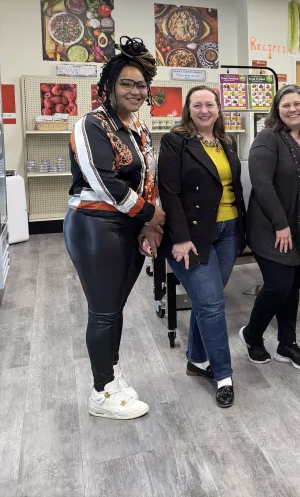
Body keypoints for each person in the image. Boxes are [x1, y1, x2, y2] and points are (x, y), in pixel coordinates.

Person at [65, 36, 163, 420]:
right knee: (104, 310)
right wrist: (150, 215)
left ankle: (111, 371)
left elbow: (147, 175)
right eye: (127, 83)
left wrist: (146, 225)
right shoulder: (90, 124)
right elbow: (103, 180)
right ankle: (101, 391)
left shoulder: (137, 127)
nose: (136, 90)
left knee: (115, 307)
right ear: (108, 86)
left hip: (127, 226)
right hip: (95, 224)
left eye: (141, 85)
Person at [157, 85, 246, 408]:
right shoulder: (175, 141)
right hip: (192, 236)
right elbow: (169, 191)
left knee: (205, 301)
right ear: (189, 109)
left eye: (210, 104)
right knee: (211, 304)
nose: (204, 110)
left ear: (219, 109)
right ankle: (223, 375)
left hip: (230, 230)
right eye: (198, 105)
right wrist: (180, 237)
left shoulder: (226, 141)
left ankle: (197, 359)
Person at [240, 85, 300, 372]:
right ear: (277, 110)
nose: (292, 109)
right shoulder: (268, 139)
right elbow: (262, 184)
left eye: (297, 104)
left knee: (293, 285)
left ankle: (286, 344)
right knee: (278, 284)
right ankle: (252, 335)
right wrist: (280, 224)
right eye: (286, 105)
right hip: (270, 228)